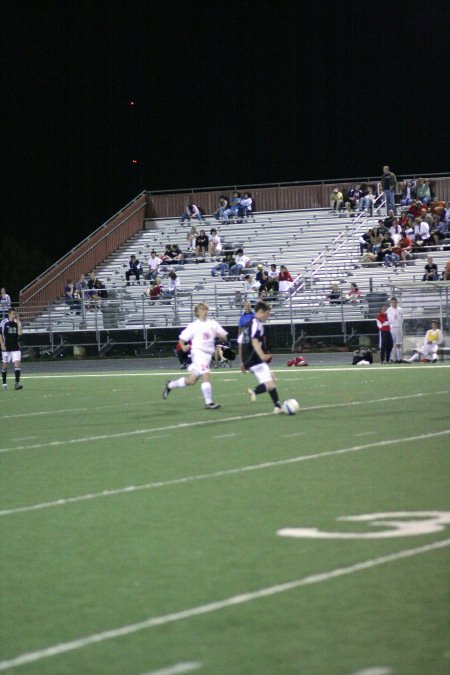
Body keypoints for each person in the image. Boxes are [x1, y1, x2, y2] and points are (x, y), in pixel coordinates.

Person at [162, 302, 227, 409]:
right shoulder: (194, 326)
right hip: (198, 354)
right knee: (206, 374)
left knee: (191, 381)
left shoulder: (213, 324)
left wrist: (221, 335)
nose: (205, 311)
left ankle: (170, 385)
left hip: (207, 355)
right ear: (197, 312)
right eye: (202, 310)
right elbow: (182, 339)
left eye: (206, 309)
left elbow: (224, 336)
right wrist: (183, 347)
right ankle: (208, 402)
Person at [238, 300, 284, 414]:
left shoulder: (250, 324)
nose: (268, 316)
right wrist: (262, 355)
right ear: (261, 312)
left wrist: (242, 362)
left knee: (271, 379)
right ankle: (254, 392)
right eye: (267, 313)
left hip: (251, 359)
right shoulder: (255, 323)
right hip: (253, 359)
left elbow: (240, 342)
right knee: (269, 383)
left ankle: (277, 406)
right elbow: (254, 341)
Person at [0, 308, 23, 390]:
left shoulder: (17, 322)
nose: (14, 315)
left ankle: (16, 383)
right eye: (13, 313)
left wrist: (18, 322)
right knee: (5, 366)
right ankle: (4, 383)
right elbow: (0, 334)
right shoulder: (4, 322)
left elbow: (20, 333)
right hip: (6, 347)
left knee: (17, 364)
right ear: (9, 314)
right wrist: (2, 344)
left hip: (15, 347)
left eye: (15, 314)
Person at [387, 297, 404, 362]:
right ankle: (392, 358)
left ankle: (399, 359)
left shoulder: (400, 309)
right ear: (391, 303)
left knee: (398, 344)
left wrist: (398, 320)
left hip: (398, 328)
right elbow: (388, 319)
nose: (394, 304)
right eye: (393, 302)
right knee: (391, 344)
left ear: (397, 302)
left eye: (395, 302)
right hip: (392, 328)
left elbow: (402, 319)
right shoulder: (389, 310)